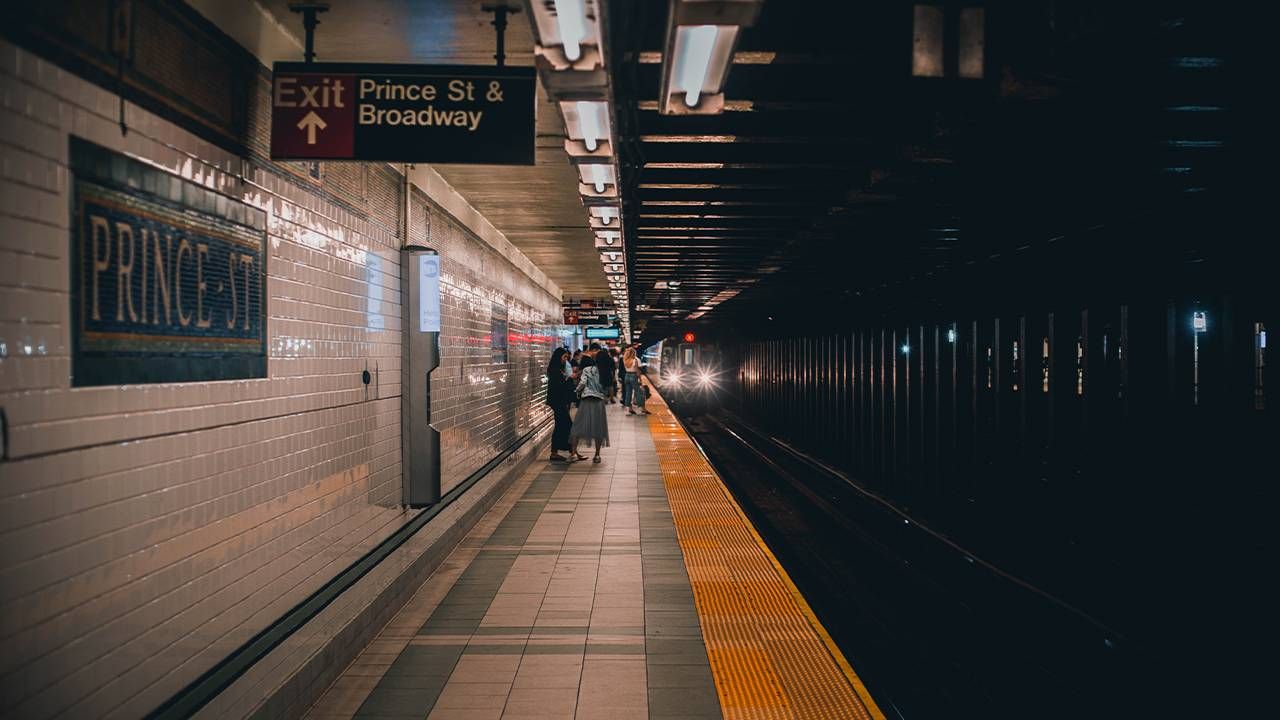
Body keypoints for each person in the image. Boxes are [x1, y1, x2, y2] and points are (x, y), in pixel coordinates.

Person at [569, 353, 609, 463]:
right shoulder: (605, 371)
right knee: (598, 429)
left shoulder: (587, 369)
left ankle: (573, 454)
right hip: (598, 402)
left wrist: (577, 391)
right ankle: (597, 455)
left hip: (586, 400)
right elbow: (606, 388)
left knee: (577, 427)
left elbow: (582, 383)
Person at [545, 348, 575, 462]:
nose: (565, 360)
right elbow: (558, 386)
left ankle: (563, 450)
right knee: (565, 425)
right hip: (558, 401)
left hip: (559, 401)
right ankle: (562, 451)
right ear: (559, 357)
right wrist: (567, 380)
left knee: (562, 425)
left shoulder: (558, 369)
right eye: (564, 357)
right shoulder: (555, 370)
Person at [621, 345, 641, 413]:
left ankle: (630, 408)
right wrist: (640, 379)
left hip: (627, 376)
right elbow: (638, 371)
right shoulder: (635, 360)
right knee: (638, 391)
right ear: (634, 353)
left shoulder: (625, 360)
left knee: (628, 392)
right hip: (633, 375)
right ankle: (641, 405)